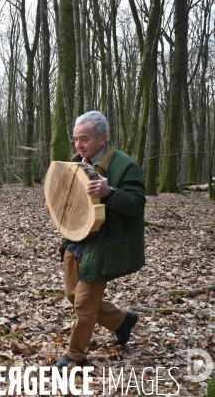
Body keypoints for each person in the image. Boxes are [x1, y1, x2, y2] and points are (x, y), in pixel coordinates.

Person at [47, 111, 146, 368]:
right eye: (76, 139)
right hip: (76, 238)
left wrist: (110, 192)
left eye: (84, 139)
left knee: (83, 304)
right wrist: (57, 206)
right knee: (72, 294)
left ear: (103, 138)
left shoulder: (126, 166)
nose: (79, 145)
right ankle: (122, 321)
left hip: (106, 244)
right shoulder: (76, 162)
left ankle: (75, 355)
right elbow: (69, 196)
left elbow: (136, 205)